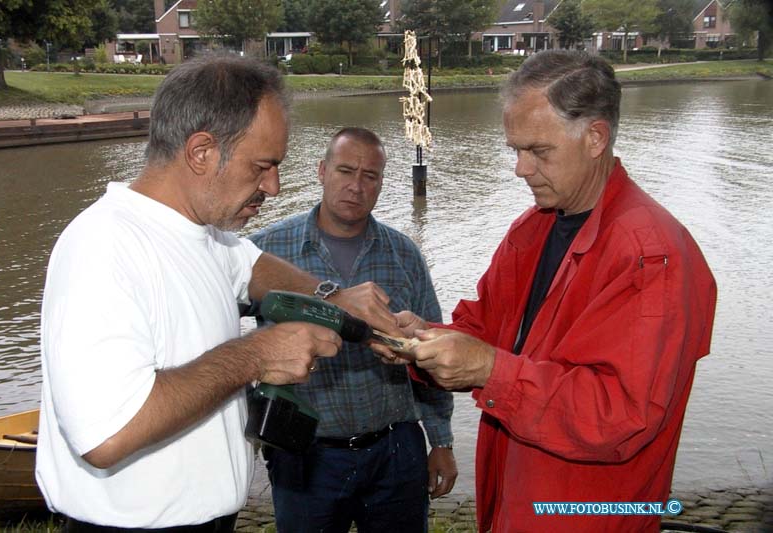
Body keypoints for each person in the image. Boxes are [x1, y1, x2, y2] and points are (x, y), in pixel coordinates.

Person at [35, 56, 401, 531]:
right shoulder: (102, 246)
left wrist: (334, 297)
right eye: (262, 166)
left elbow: (251, 265)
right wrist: (256, 355)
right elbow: (108, 434)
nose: (272, 186)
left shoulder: (201, 231)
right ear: (202, 151)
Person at [383, 50, 718, 532]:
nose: (520, 169)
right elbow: (485, 330)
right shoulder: (533, 229)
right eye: (514, 150)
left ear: (595, 138)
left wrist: (490, 370)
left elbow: (621, 416)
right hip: (514, 503)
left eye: (538, 151)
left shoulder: (652, 257)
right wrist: (420, 341)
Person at [249, 127, 457, 532]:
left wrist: (442, 442)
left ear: (381, 183)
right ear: (322, 171)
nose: (356, 186)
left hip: (395, 451)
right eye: (345, 171)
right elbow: (217, 335)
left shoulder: (404, 255)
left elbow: (433, 352)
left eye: (370, 176)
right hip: (304, 455)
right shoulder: (264, 254)